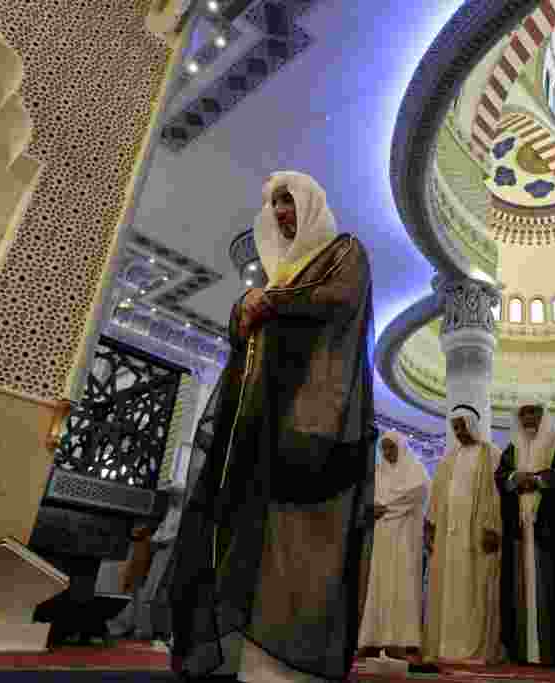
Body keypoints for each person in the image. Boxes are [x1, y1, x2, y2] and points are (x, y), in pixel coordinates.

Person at [166, 171, 375, 683]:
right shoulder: (278, 273)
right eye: (274, 203)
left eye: (289, 201)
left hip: (314, 421)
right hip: (260, 424)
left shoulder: (344, 250)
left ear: (311, 204)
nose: (281, 212)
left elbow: (339, 299)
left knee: (303, 542)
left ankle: (293, 656)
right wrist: (245, 308)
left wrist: (270, 302)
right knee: (253, 536)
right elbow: (248, 332)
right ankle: (252, 653)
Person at [495, 401, 555, 667]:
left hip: (552, 532)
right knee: (520, 589)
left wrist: (539, 480)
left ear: (544, 415)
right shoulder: (512, 449)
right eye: (523, 413)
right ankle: (522, 652)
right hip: (522, 532)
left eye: (534, 412)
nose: (529, 417)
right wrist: (514, 479)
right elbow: (500, 477)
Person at [422, 404, 503, 665]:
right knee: (449, 589)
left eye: (462, 425)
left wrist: (493, 526)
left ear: (474, 424)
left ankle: (473, 648)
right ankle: (446, 646)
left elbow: (497, 495)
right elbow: (436, 497)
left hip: (478, 534)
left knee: (475, 588)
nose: (458, 431)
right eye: (455, 427)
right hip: (450, 536)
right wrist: (430, 527)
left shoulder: (491, 455)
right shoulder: (448, 459)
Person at [358, 431, 430, 660]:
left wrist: (385, 508)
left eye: (391, 447)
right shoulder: (378, 472)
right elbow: (370, 500)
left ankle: (403, 641)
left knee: (403, 583)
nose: (388, 453)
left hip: (405, 537)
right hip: (382, 537)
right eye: (384, 448)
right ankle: (373, 639)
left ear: (401, 446)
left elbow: (416, 492)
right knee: (379, 583)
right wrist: (374, 508)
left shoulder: (415, 469)